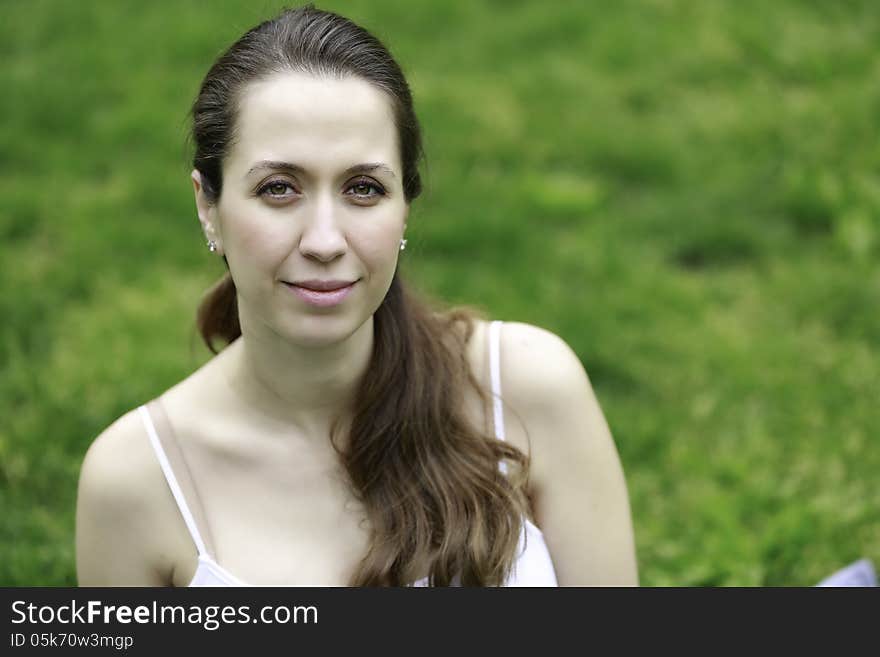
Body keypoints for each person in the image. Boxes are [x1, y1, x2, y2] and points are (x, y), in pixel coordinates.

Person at [75, 4, 638, 587]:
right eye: (278, 189)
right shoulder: (136, 481)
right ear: (208, 207)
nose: (324, 241)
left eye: (363, 188)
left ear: (404, 210)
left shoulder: (525, 388)